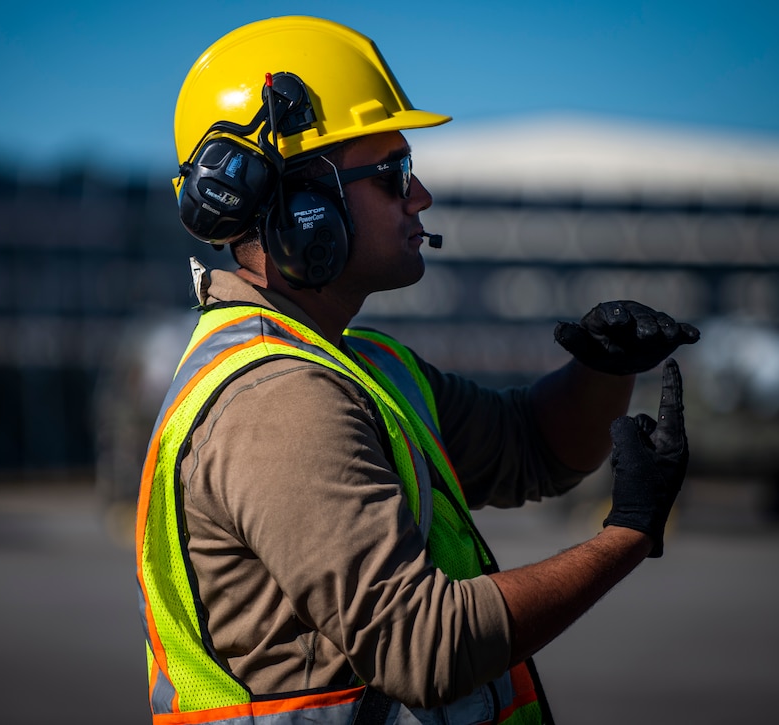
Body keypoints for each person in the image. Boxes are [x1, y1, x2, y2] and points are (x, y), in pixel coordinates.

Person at [135, 15, 699, 724]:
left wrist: (602, 369)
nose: (421, 195)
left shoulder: (367, 366)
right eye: (394, 173)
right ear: (307, 206)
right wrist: (628, 535)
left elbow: (533, 447)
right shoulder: (278, 400)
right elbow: (425, 647)